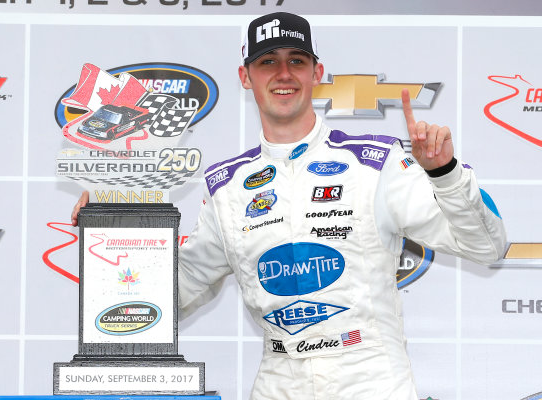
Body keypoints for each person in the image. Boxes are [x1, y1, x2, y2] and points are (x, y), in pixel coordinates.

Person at [72, 12, 507, 400]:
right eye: (267, 62)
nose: (284, 73)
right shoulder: (227, 186)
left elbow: (488, 247)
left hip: (371, 377)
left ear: (317, 71)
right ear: (245, 77)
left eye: (296, 60)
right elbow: (170, 296)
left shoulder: (375, 163)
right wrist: (116, 225)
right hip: (279, 380)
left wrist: (444, 172)